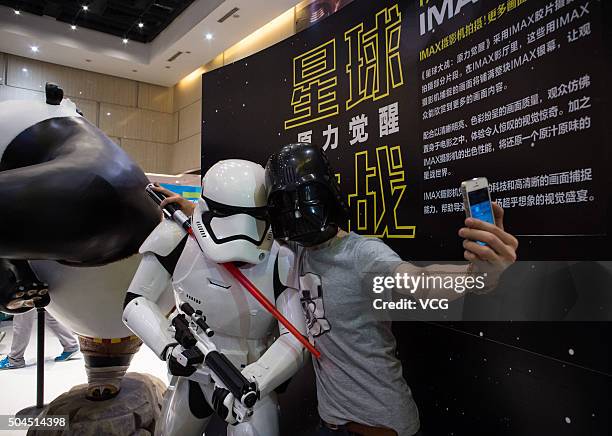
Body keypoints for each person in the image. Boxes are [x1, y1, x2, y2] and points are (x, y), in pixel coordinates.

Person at [263, 143, 519, 436]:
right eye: (286, 203)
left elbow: (420, 282)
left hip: (379, 426)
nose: (297, 213)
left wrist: (478, 275)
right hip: (331, 423)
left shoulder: (362, 253)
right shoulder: (298, 252)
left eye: (303, 198)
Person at [122, 161, 306, 436]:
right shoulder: (177, 237)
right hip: (192, 375)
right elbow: (136, 302)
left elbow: (296, 339)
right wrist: (169, 348)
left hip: (249, 382)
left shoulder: (281, 258)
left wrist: (254, 382)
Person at [0, 309, 79, 369]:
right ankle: (70, 345)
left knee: (22, 318)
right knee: (48, 312)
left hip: (27, 288)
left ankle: (15, 359)